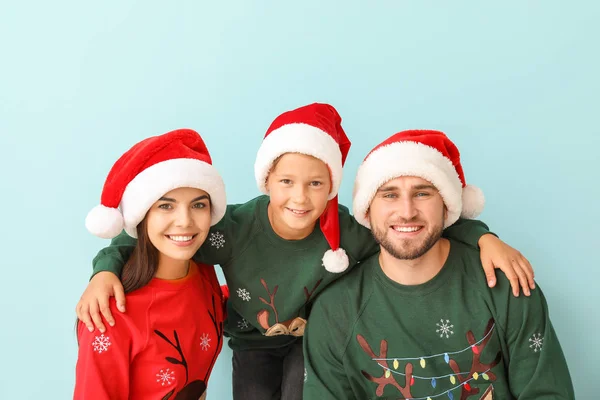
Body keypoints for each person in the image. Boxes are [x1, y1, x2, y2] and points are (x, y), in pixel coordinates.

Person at [76, 104, 534, 400]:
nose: (300, 198)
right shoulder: (229, 229)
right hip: (252, 346)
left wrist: (483, 236)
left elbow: (410, 229)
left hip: (310, 345)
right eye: (287, 183)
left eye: (316, 184)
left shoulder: (348, 236)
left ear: (332, 186)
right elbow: (149, 235)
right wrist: (103, 270)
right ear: (267, 182)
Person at [303, 129, 574, 399]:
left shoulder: (506, 284)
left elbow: (547, 392)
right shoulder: (334, 313)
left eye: (422, 194)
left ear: (447, 205)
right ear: (367, 210)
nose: (407, 212)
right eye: (389, 195)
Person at [74, 129, 228, 400]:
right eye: (166, 206)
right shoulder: (108, 315)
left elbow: (202, 313)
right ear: (141, 215)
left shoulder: (203, 271)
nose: (185, 221)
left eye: (198, 205)